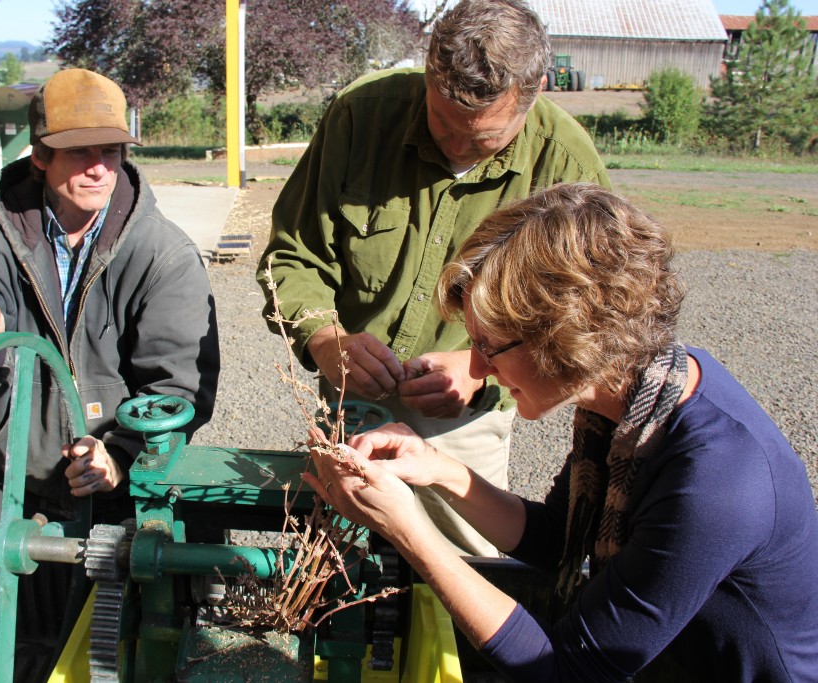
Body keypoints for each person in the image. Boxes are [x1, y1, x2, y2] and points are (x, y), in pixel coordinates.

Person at [306, 183, 818, 682]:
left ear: (572, 336)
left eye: (491, 345)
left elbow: (566, 670)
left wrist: (407, 530)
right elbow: (559, 539)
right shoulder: (632, 397)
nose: (478, 369)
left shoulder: (715, 482)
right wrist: (439, 470)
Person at [257, 0, 609, 556]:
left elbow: (586, 322)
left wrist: (478, 368)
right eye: (443, 123)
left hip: (465, 431)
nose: (456, 146)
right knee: (336, 576)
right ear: (426, 71)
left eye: (484, 138)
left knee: (461, 582)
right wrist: (325, 339)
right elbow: (293, 256)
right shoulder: (360, 116)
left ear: (537, 90)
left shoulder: (564, 164)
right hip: (349, 409)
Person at [0, 68, 220, 524]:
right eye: (79, 151)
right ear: (41, 155)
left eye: (110, 150)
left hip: (128, 497)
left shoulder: (165, 255)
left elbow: (180, 384)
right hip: (26, 487)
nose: (99, 167)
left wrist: (122, 456)